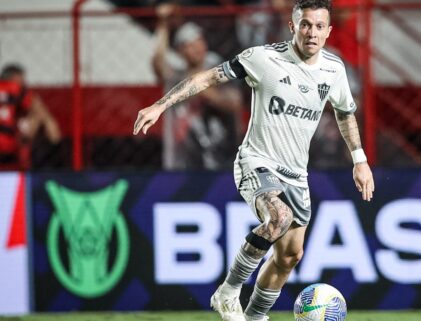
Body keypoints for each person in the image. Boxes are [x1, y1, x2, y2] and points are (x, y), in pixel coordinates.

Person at [134, 1, 374, 320]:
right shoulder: (263, 58)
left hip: (296, 175)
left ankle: (255, 317)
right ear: (292, 26)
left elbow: (345, 114)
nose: (311, 32)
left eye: (319, 26)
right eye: (305, 24)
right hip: (256, 162)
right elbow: (207, 78)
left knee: (290, 256)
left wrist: (359, 160)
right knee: (279, 217)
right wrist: (160, 106)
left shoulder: (333, 70)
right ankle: (228, 291)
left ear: (329, 31)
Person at [152, 3, 243, 170]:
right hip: (183, 162)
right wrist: (163, 26)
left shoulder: (219, 70)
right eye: (189, 45)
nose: (196, 48)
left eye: (198, 42)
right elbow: (158, 63)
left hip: (221, 160)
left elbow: (234, 103)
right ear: (181, 51)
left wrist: (202, 88)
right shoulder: (178, 77)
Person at [0, 64, 61, 170]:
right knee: (37, 116)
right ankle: (55, 149)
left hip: (10, 141)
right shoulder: (16, 89)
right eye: (22, 80)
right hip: (10, 144)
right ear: (15, 78)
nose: (25, 82)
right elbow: (37, 109)